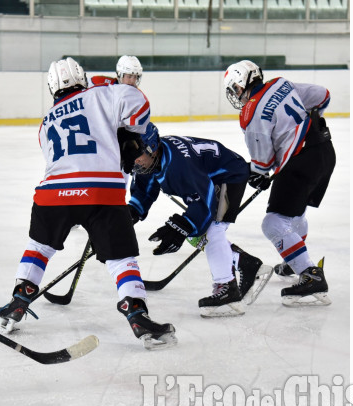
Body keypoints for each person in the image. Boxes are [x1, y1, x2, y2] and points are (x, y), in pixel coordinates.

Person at [0, 57, 176, 350]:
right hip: (102, 192)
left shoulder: (46, 122)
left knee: (39, 248)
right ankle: (137, 315)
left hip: (52, 193)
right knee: (121, 259)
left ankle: (19, 298)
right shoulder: (103, 92)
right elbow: (138, 103)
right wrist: (131, 133)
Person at [128, 123, 273, 317]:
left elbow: (204, 205)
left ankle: (227, 289)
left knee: (212, 230)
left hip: (228, 176)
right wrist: (132, 212)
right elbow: (146, 188)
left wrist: (185, 225)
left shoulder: (179, 166)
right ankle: (245, 263)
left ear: (152, 149)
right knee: (197, 234)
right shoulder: (151, 159)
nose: (134, 162)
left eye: (137, 157)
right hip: (206, 178)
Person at [223, 59, 335, 307]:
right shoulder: (280, 84)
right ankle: (294, 261)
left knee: (274, 222)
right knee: (294, 213)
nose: (235, 95)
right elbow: (323, 97)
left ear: (241, 84)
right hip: (325, 152)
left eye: (234, 89)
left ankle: (309, 273)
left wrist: (257, 175)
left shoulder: (250, 113)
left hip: (301, 163)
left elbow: (263, 163)